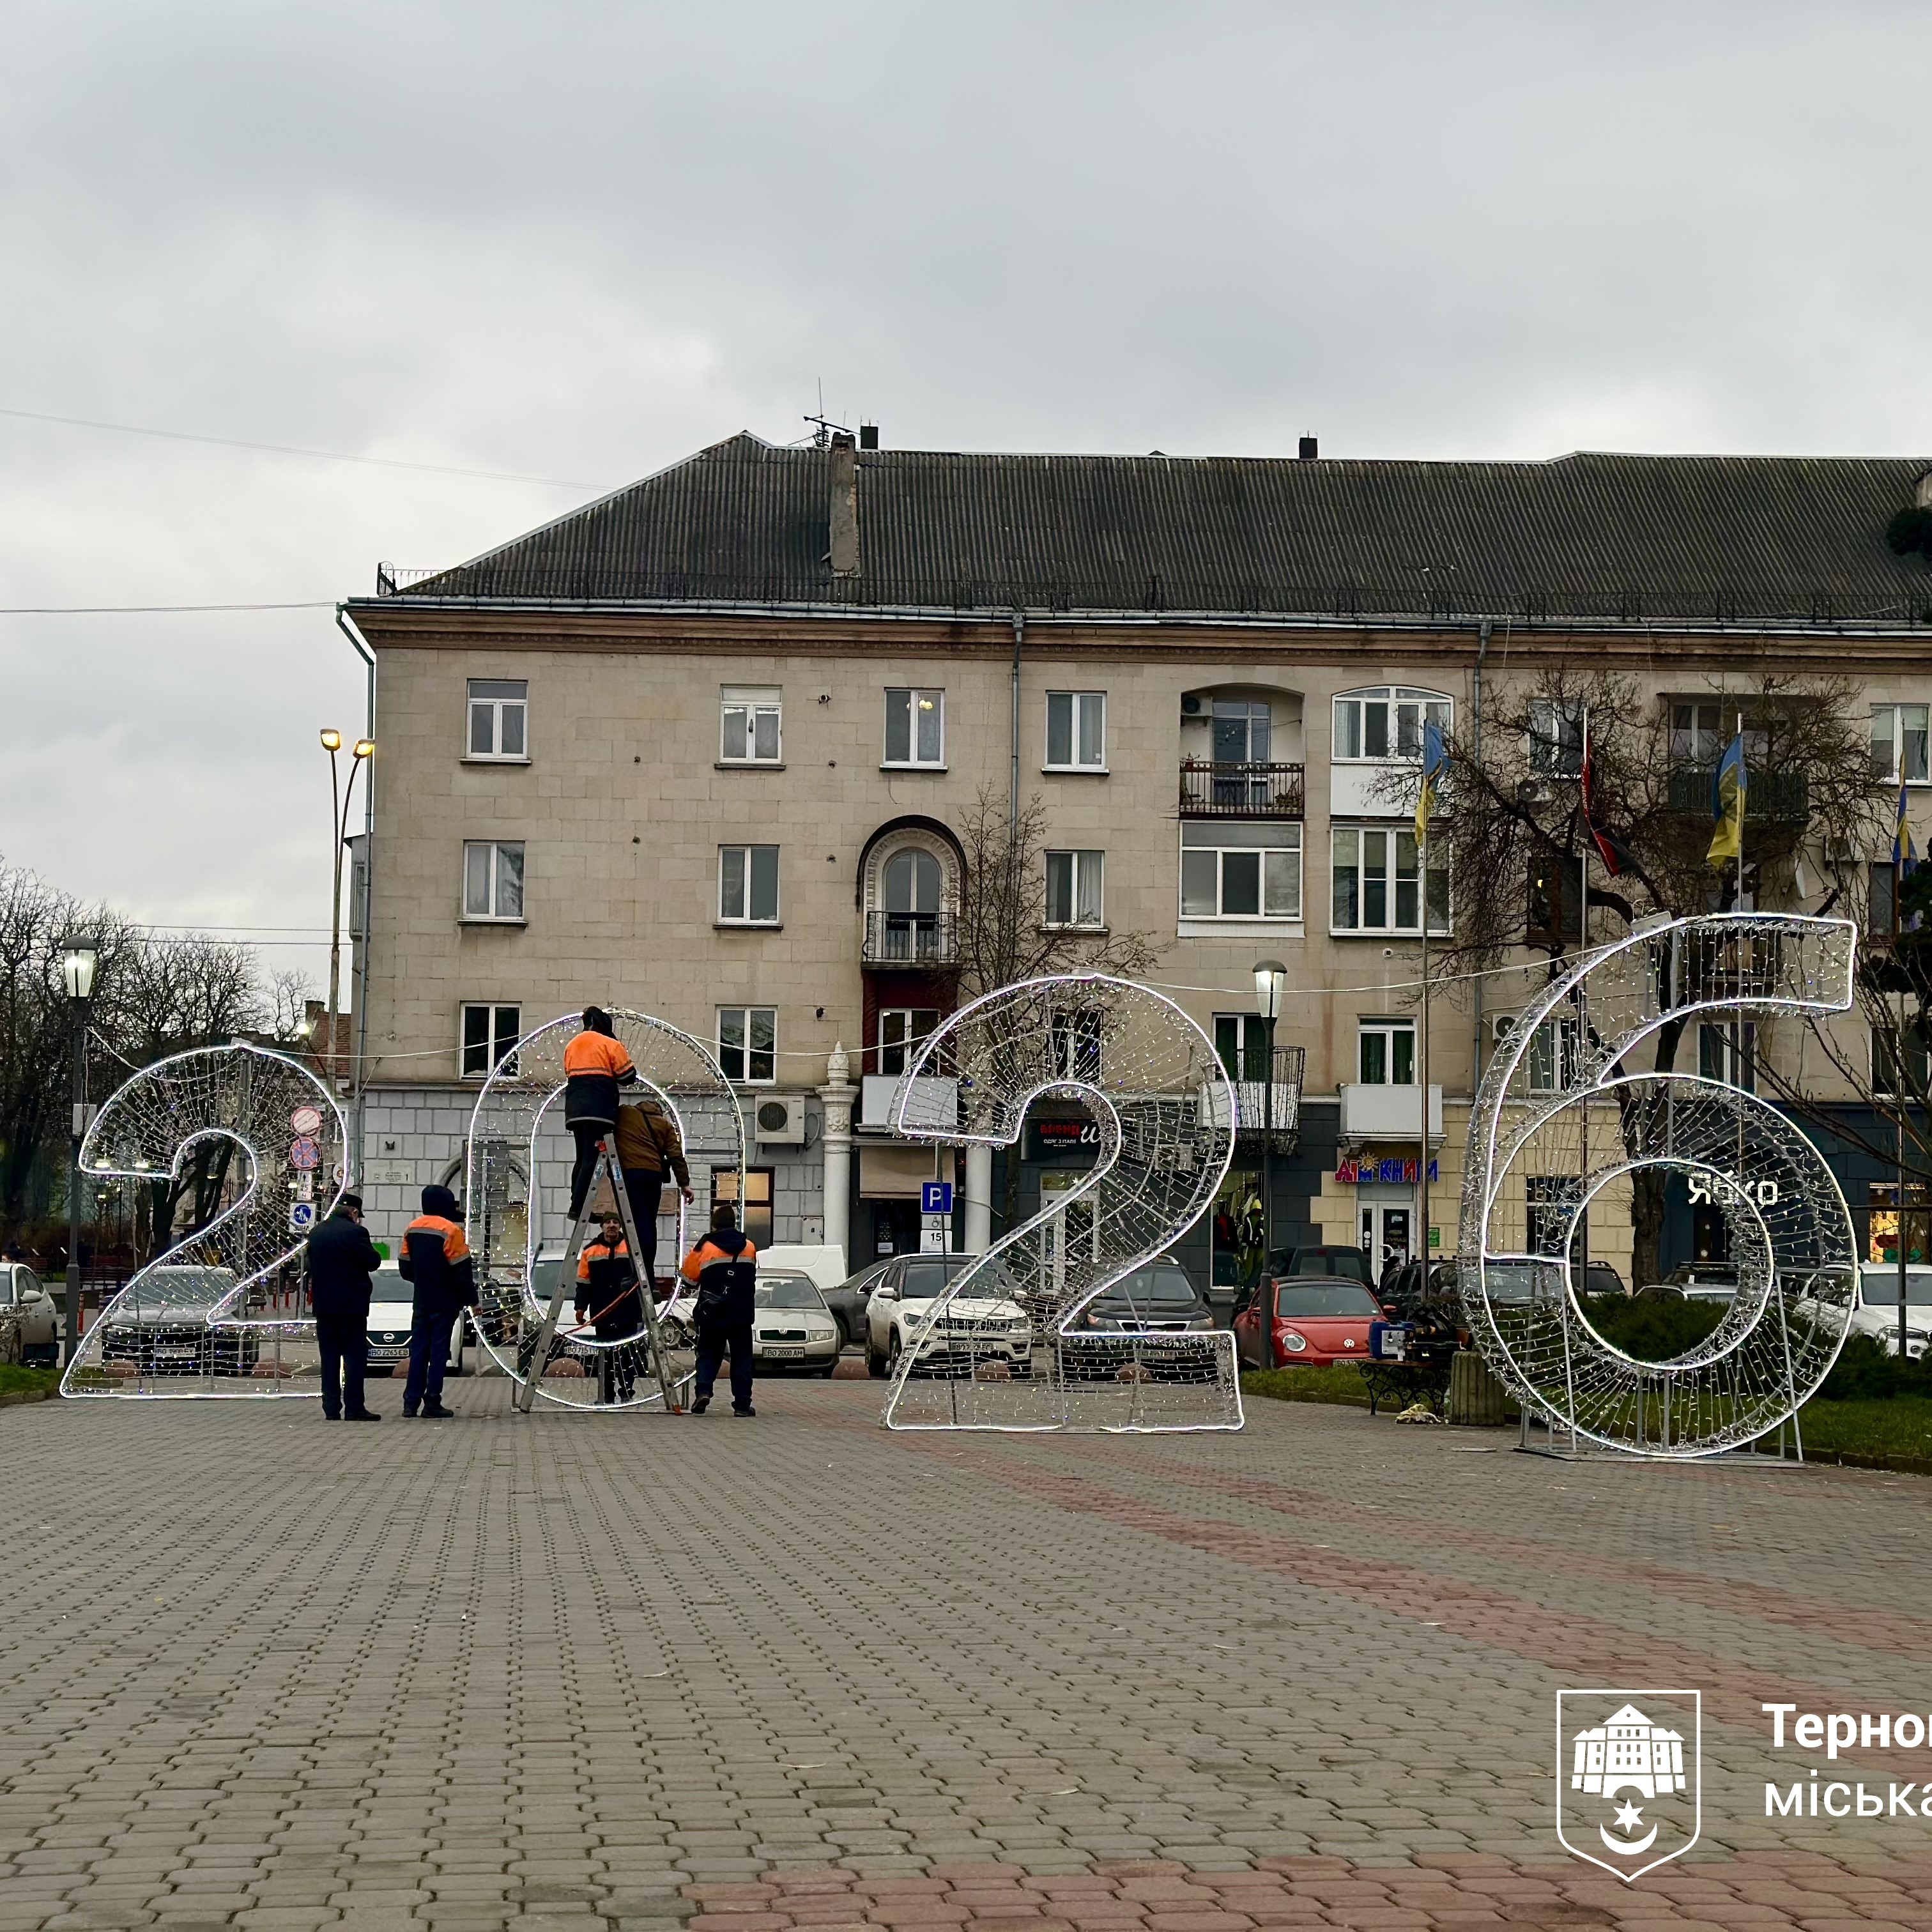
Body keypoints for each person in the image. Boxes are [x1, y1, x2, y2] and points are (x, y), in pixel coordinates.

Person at [399, 1183, 475, 1418]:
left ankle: (410, 1404)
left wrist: (423, 1282)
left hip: (421, 1301)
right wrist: (471, 1300)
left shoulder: (411, 1229)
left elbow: (405, 1268)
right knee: (439, 1352)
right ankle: (432, 1403)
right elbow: (461, 1272)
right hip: (445, 1302)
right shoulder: (451, 1231)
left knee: (419, 1350)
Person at [305, 1191, 383, 1422]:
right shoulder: (356, 1233)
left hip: (325, 1306)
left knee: (329, 1357)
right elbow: (373, 1262)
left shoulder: (316, 1233)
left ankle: (331, 1408)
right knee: (354, 1358)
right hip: (351, 1307)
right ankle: (354, 1407)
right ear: (354, 1213)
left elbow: (310, 1265)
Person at [680, 1202, 757, 1416]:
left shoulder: (705, 1248)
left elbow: (689, 1280)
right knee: (742, 1359)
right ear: (733, 1223)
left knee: (708, 1354)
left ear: (714, 1225)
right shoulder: (749, 1246)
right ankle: (742, 1404)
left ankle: (703, 1391)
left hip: (712, 1312)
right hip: (742, 1313)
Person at [613, 1092, 694, 1290]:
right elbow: (676, 1156)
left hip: (631, 1174)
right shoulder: (665, 1125)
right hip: (653, 1177)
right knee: (649, 1225)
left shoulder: (625, 1114)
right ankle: (649, 1276)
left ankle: (641, 1275)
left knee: (637, 1225)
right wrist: (685, 1184)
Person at [564, 1007, 637, 1222]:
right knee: (591, 1159)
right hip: (599, 1110)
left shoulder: (572, 1044)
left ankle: (575, 1203)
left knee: (581, 1158)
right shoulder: (610, 1044)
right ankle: (579, 1208)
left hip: (575, 1110)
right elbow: (628, 1076)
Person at [576, 1211, 645, 1404]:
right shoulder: (591, 1251)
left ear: (620, 1226)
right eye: (608, 1223)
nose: (612, 1226)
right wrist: (580, 1308)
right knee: (605, 1355)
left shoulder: (632, 1248)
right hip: (603, 1310)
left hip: (627, 1310)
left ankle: (626, 1390)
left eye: (616, 1222)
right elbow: (583, 1283)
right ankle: (606, 1393)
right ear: (602, 1227)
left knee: (626, 1354)